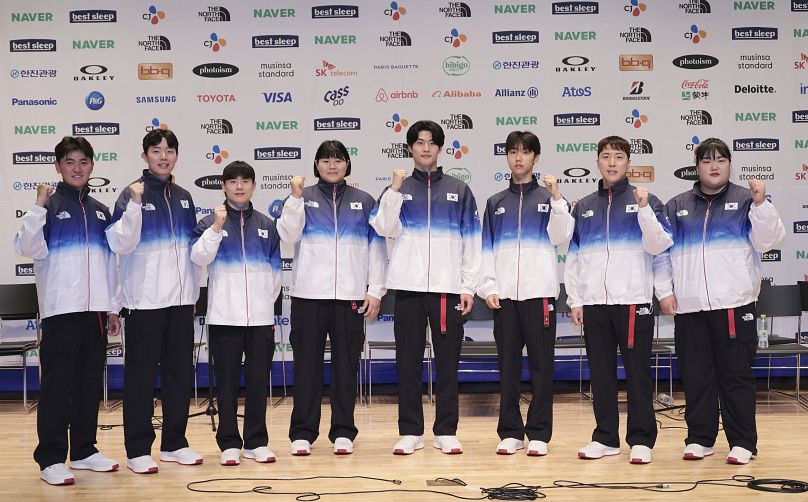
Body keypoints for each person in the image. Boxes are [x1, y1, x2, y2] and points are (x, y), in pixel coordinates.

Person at [657, 138, 785, 465]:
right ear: (696, 166)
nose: (714, 166)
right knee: (696, 375)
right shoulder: (677, 205)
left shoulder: (746, 200)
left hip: (734, 306)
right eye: (707, 160)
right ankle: (700, 438)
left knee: (735, 375)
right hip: (690, 308)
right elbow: (661, 254)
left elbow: (768, 241)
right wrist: (665, 292)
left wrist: (761, 205)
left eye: (721, 160)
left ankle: (742, 442)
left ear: (730, 164)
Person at [14, 136, 121, 485]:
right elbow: (28, 247)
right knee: (58, 386)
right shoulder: (48, 206)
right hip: (61, 311)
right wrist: (39, 205)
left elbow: (109, 264)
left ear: (92, 165)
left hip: (95, 313)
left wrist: (113, 308)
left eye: (84, 162)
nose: (77, 168)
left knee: (90, 384)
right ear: (58, 166)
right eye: (70, 162)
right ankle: (50, 457)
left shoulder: (101, 210)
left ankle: (85, 450)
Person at [370, 120, 481, 455]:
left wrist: (468, 286)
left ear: (440, 148)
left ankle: (445, 430)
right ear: (410, 148)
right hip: (407, 288)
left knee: (448, 363)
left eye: (432, 142)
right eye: (419, 142)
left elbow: (472, 242)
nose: (426, 148)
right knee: (408, 362)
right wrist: (393, 192)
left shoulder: (459, 189)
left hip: (447, 290)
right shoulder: (398, 190)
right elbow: (384, 228)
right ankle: (410, 431)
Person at [564, 135, 673, 464]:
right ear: (597, 161)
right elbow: (574, 258)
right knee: (600, 373)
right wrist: (575, 299)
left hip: (633, 302)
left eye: (619, 157)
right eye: (606, 156)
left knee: (638, 372)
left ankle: (641, 439)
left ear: (628, 163)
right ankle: (606, 437)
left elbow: (659, 246)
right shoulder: (583, 206)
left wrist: (643, 210)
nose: (612, 163)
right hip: (596, 303)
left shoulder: (648, 201)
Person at [277, 140, 387, 455]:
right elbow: (288, 234)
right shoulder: (302, 198)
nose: (332, 165)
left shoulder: (364, 201)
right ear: (316, 164)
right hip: (308, 297)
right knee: (306, 367)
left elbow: (377, 248)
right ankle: (302, 432)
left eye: (338, 159)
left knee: (345, 367)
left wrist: (375, 289)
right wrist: (296, 199)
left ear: (347, 165)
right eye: (326, 160)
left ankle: (343, 431)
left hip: (351, 298)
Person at [106, 129, 201, 473]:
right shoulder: (130, 194)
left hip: (179, 303)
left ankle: (175, 443)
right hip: (144, 303)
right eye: (156, 150)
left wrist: (191, 293)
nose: (163, 156)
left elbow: (192, 251)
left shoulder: (186, 197)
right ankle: (137, 449)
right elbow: (120, 244)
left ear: (176, 155)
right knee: (140, 378)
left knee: (178, 376)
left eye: (169, 150)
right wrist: (133, 205)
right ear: (144, 155)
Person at [478, 131, 574, 456]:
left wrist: (558, 197)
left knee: (541, 366)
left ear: (536, 156)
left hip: (540, 296)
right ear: (506, 156)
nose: (519, 158)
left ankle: (539, 433)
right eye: (513, 152)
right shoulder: (495, 203)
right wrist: (488, 287)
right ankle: (510, 432)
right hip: (504, 298)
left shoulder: (549, 199)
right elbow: (485, 251)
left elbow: (561, 237)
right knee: (507, 366)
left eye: (525, 152)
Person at [191, 160, 282, 465]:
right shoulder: (208, 223)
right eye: (233, 181)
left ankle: (256, 441)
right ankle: (229, 442)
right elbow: (199, 257)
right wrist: (216, 228)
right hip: (224, 318)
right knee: (226, 382)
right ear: (224, 186)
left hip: (259, 320)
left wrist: (261, 308)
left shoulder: (267, 225)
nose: (239, 186)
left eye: (245, 181)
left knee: (258, 381)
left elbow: (275, 276)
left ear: (254, 185)